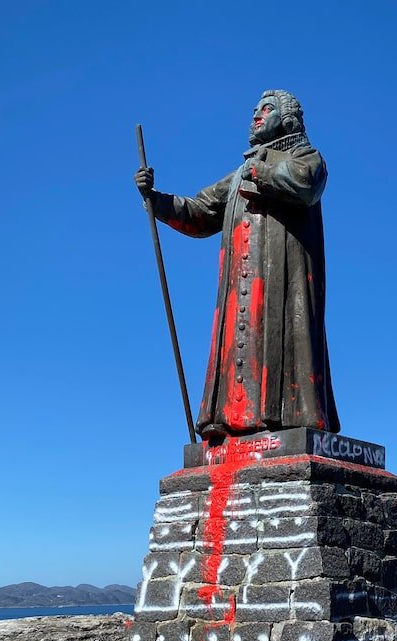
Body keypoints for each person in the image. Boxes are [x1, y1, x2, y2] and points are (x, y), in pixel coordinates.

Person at [135, 90, 340, 441]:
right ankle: (231, 419)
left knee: (287, 341)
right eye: (254, 110)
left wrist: (259, 169)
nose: (256, 115)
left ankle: (288, 421)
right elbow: (200, 210)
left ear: (287, 119)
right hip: (240, 287)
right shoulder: (240, 173)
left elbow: (306, 183)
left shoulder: (304, 155)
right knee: (237, 341)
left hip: (284, 281)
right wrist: (157, 201)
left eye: (266, 109)